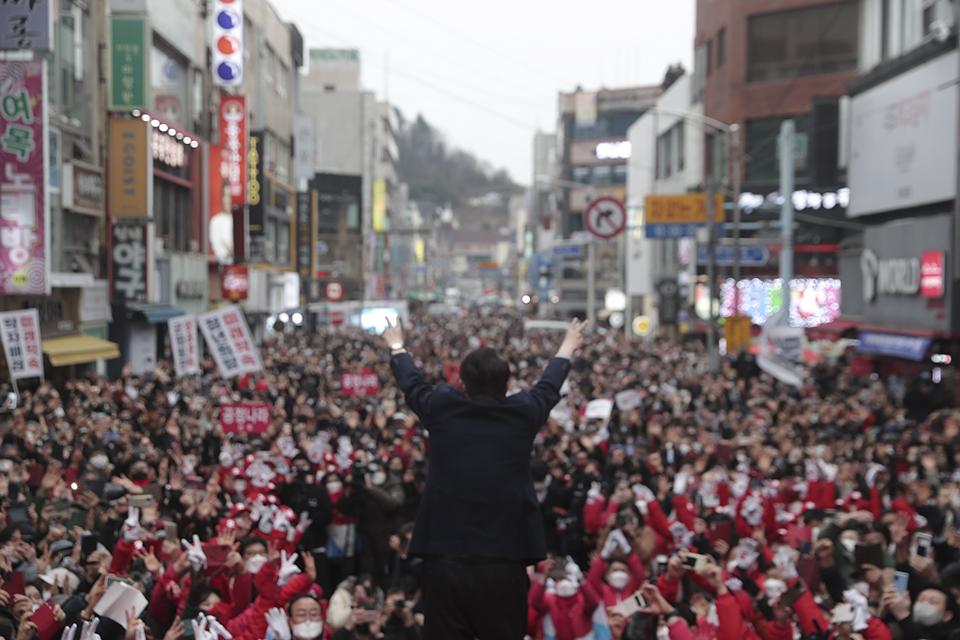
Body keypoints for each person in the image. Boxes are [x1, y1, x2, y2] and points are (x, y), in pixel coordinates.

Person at [383, 316, 588, 640]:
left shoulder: (443, 408)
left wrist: (397, 344)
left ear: (461, 383)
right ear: (507, 386)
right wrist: (567, 347)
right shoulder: (522, 412)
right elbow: (548, 387)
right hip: (503, 563)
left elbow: (412, 383)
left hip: (445, 561)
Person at [209, 181, 234, 264]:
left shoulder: (240, 221)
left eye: (229, 196)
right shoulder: (215, 221)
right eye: (225, 195)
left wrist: (229, 247)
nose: (227, 200)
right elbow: (219, 253)